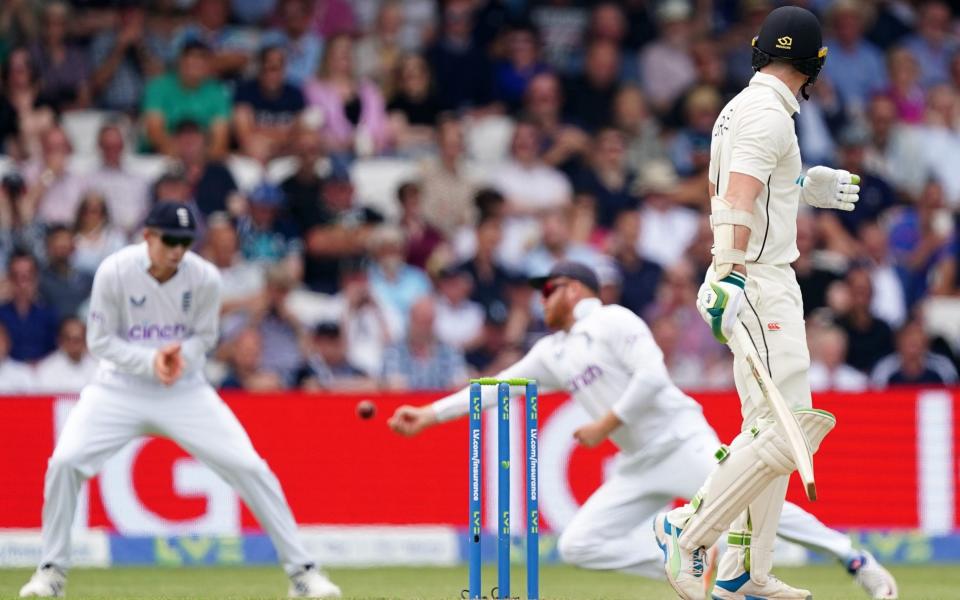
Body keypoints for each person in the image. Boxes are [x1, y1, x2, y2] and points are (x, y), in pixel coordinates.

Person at [387, 261, 897, 600]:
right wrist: (429, 415)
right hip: (637, 463)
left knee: (761, 508)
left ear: (577, 289)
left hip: (680, 439)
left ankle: (855, 558)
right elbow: (497, 388)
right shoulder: (552, 351)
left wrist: (607, 422)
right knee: (578, 545)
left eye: (550, 290)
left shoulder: (612, 319)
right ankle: (701, 565)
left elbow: (653, 376)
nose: (542, 301)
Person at [654, 8, 893, 600]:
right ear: (814, 65)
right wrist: (729, 274)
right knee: (788, 432)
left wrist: (801, 186)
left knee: (767, 431)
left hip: (759, 276)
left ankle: (744, 573)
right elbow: (735, 199)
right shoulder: (769, 116)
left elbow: (754, 184)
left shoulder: (744, 107)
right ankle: (687, 530)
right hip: (758, 281)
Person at [18, 202, 340, 599]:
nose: (176, 250)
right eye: (169, 240)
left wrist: (178, 359)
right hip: (118, 388)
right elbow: (99, 342)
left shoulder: (203, 277)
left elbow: (205, 338)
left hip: (184, 389)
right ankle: (51, 573)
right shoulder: (115, 271)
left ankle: (303, 574)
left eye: (184, 242)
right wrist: (149, 360)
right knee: (65, 463)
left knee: (250, 467)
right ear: (148, 236)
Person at [34, 317, 97, 393]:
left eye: (79, 339)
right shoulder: (46, 369)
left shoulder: (97, 366)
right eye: (70, 339)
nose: (74, 345)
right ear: (60, 340)